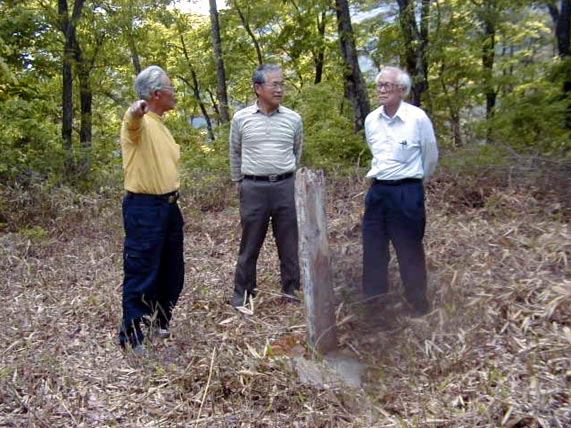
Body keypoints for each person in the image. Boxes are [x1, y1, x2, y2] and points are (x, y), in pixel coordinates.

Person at [362, 66, 438, 316]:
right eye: (379, 85)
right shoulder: (372, 119)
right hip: (378, 192)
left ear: (402, 90)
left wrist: (414, 185)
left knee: (409, 250)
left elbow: (430, 158)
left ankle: (417, 305)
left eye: (387, 85)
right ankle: (374, 304)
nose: (381, 89)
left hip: (407, 192)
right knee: (373, 249)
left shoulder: (417, 118)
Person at [118, 65, 184, 352]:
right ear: (157, 94)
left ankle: (159, 320)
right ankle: (132, 337)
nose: (175, 92)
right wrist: (135, 111)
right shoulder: (140, 122)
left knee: (172, 270)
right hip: (145, 209)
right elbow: (133, 124)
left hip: (169, 208)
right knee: (142, 271)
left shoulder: (160, 124)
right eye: (171, 86)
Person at [229, 64, 304, 311]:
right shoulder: (241, 119)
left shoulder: (293, 119)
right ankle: (243, 295)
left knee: (289, 244)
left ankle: (292, 293)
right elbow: (235, 152)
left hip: (286, 186)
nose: (280, 89)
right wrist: (239, 183)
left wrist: (290, 179)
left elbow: (297, 152)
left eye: (282, 84)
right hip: (253, 188)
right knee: (250, 245)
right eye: (275, 84)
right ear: (258, 88)